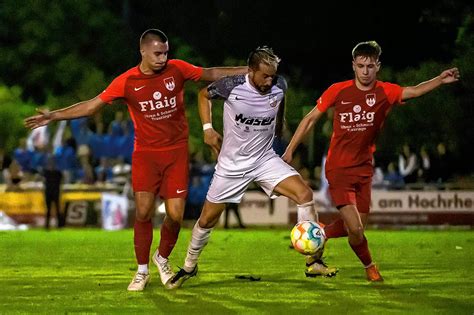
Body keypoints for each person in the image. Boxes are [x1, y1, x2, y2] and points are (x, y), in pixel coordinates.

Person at [24, 28, 248, 292]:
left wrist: (248, 70)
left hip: (176, 152)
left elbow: (209, 73)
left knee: (175, 215)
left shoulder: (177, 69)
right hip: (145, 154)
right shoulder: (127, 81)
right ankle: (142, 271)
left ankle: (161, 259)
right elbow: (91, 105)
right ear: (142, 51)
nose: (163, 58)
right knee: (143, 212)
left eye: (165, 52)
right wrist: (53, 116)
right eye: (157, 53)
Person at [282, 41, 460, 282]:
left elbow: (414, 91)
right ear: (353, 66)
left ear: (378, 66)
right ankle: (370, 266)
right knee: (355, 228)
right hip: (338, 170)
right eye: (361, 66)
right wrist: (290, 150)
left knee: (355, 230)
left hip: (364, 170)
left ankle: (319, 231)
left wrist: (440, 79)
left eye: (370, 66)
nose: (365, 71)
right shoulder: (338, 90)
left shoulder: (385, 92)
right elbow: (310, 119)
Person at [168, 46, 337, 289]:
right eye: (264, 76)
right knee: (207, 220)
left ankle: (314, 262)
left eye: (273, 76)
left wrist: (281, 140)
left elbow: (278, 109)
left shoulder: (280, 86)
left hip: (264, 159)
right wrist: (207, 129)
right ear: (251, 71)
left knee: (304, 194)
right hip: (231, 165)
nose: (270, 81)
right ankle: (189, 266)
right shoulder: (231, 86)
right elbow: (203, 94)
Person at [42, 154, 64, 229]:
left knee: (57, 209)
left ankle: (59, 225)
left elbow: (61, 182)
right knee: (48, 209)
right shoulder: (46, 172)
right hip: (48, 192)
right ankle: (47, 225)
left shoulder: (57, 172)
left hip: (55, 192)